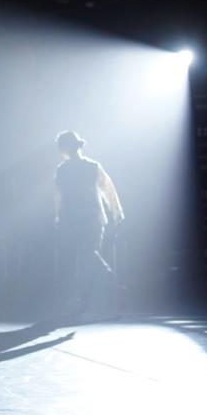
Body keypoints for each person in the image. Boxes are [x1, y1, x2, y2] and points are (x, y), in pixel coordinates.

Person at [53, 130, 124, 313]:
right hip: (79, 219)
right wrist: (60, 217)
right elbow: (60, 197)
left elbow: (108, 189)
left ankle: (96, 291)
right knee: (85, 258)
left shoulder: (85, 168)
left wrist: (117, 213)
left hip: (86, 219)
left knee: (87, 256)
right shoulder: (67, 169)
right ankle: (94, 292)